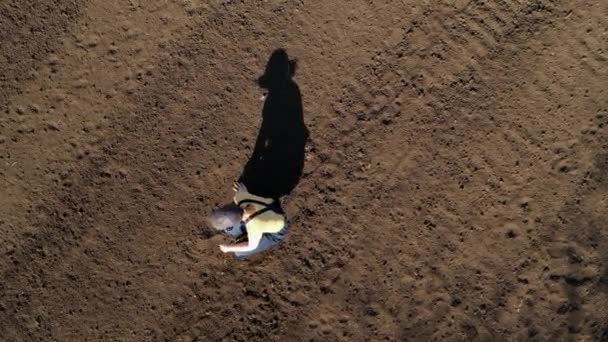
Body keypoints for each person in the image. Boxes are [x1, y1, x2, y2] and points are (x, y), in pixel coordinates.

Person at [214, 182, 287, 259]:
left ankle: (241, 255)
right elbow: (241, 188)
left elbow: (250, 246)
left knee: (238, 253)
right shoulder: (240, 198)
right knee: (230, 229)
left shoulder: (254, 226)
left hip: (276, 231)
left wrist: (228, 248)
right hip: (268, 209)